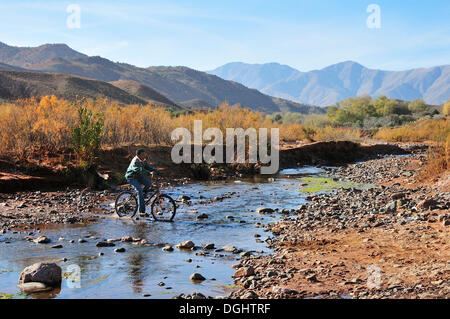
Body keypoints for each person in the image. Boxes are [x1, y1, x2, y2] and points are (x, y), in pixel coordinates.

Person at [125, 149, 159, 216]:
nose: (144, 156)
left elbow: (149, 167)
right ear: (138, 155)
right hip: (131, 177)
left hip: (138, 177)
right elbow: (140, 170)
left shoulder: (143, 160)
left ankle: (142, 197)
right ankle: (141, 211)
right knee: (139, 190)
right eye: (143, 154)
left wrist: (157, 171)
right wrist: (149, 172)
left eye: (145, 154)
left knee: (149, 183)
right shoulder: (135, 161)